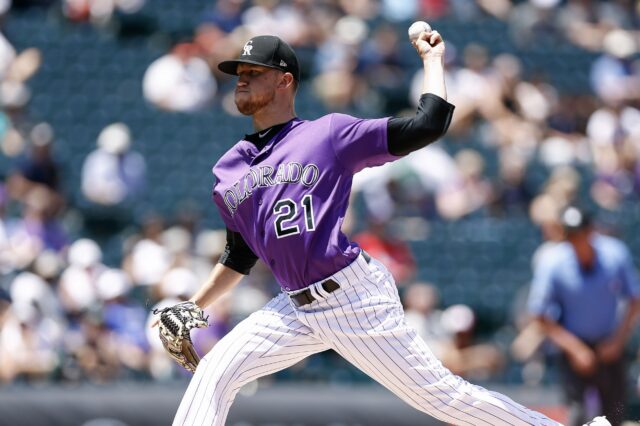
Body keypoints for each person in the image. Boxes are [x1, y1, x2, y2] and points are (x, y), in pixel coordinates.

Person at [164, 32, 609, 426]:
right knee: (216, 370)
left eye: (253, 71)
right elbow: (240, 253)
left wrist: (433, 61)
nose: (240, 79)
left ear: (285, 81)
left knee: (443, 398)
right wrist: (195, 304)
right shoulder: (228, 168)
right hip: (292, 308)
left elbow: (427, 124)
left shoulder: (328, 135)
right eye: (237, 71)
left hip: (352, 299)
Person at [528, 206, 640, 426]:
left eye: (580, 233)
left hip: (610, 346)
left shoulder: (614, 253)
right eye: (571, 234)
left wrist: (617, 342)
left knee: (614, 414)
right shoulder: (553, 261)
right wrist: (575, 349)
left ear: (591, 231)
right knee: (577, 415)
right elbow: (539, 314)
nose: (576, 239)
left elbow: (635, 299)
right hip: (573, 350)